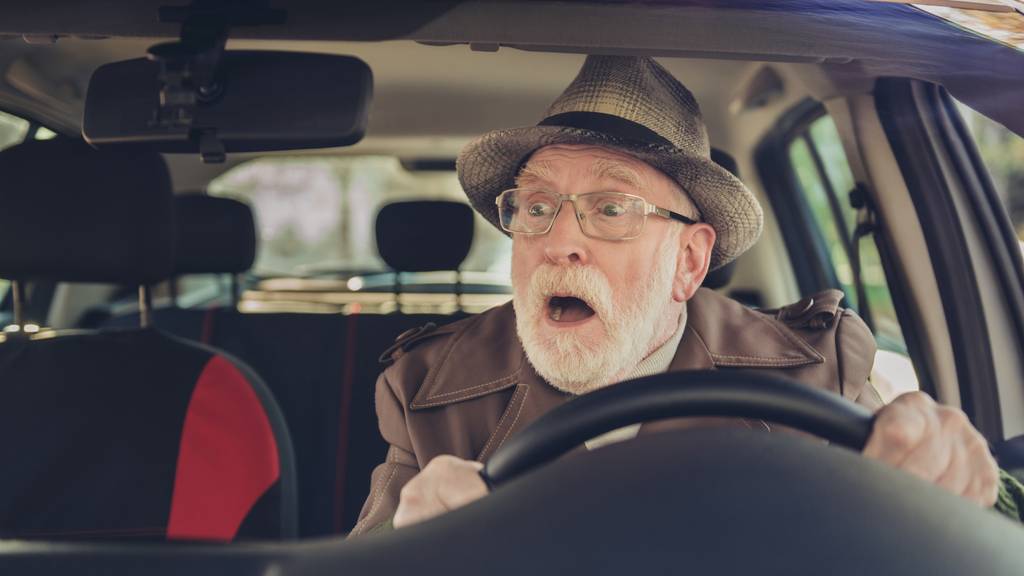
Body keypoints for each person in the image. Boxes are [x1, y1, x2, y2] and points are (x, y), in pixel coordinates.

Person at [350, 55, 1023, 535]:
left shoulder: (819, 373)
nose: (557, 242)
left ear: (690, 259)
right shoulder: (426, 390)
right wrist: (407, 552)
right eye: (536, 207)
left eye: (611, 209)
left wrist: (963, 488)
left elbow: (946, 525)